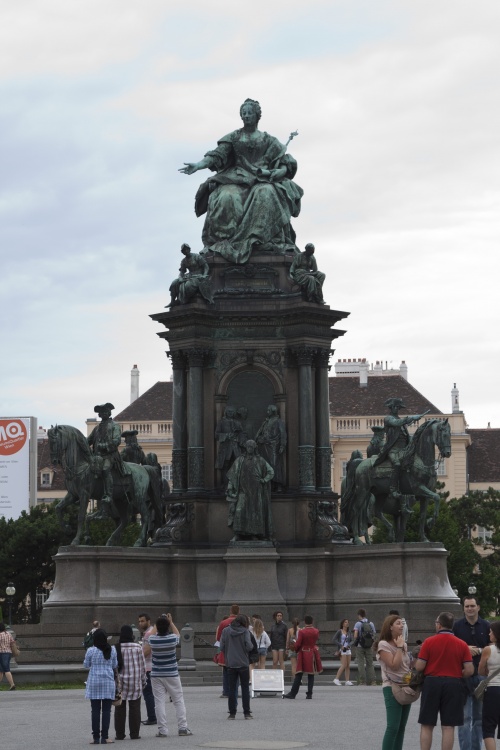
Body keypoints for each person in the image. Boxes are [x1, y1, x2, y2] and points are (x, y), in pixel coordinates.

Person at [179, 98, 303, 264]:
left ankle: (260, 241)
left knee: (266, 193)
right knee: (226, 197)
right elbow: (217, 155)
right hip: (236, 178)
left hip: (262, 180)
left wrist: (280, 171)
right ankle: (225, 243)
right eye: (243, 113)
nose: (246, 116)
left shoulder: (268, 140)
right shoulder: (234, 137)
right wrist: (199, 165)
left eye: (249, 113)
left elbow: (285, 162)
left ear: (257, 115)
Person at [415, 611, 473, 750]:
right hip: (454, 683)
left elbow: (420, 666)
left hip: (432, 683)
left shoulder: (429, 642)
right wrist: (457, 673)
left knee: (427, 724)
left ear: (439, 625)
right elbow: (470, 670)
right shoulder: (462, 644)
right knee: (448, 726)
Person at [374, 398, 428, 516]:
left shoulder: (400, 421)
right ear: (392, 408)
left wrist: (411, 421)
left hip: (403, 450)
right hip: (392, 450)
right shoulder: (389, 419)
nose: (398, 410)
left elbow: (403, 427)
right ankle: (393, 489)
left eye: (399, 408)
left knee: (411, 465)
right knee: (397, 464)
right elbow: (397, 423)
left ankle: (406, 496)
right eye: (397, 407)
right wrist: (411, 418)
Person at [453, 596, 490, 750]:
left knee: (480, 718)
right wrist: (465, 649)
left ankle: (476, 748)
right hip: (463, 677)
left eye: (472, 606)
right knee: (465, 718)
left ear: (478, 607)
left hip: (482, 676)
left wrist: (480, 650)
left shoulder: (487, 626)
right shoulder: (457, 626)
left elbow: (493, 647)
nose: (470, 609)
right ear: (463, 608)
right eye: (467, 606)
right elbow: (452, 647)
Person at [149, 614, 192, 737]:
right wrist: (171, 622)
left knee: (159, 702)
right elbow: (178, 634)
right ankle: (182, 728)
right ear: (167, 626)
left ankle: (162, 730)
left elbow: (149, 635)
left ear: (157, 627)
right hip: (172, 673)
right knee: (178, 700)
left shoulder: (153, 640)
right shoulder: (172, 639)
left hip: (156, 673)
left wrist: (157, 624)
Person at [376, 615, 413, 750]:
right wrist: (398, 648)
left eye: (402, 623)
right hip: (391, 687)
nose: (401, 626)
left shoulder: (404, 644)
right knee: (393, 727)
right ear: (390, 626)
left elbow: (405, 666)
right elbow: (394, 665)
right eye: (398, 623)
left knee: (401, 727)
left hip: (405, 687)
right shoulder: (383, 645)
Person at [226, 439, 274, 542]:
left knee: (255, 513)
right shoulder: (239, 460)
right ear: (246, 448)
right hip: (242, 491)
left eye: (252, 447)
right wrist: (230, 487)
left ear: (255, 448)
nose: (250, 449)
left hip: (256, 493)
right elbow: (232, 476)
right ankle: (237, 534)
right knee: (239, 511)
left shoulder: (260, 460)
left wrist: (264, 480)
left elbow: (271, 472)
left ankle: (254, 534)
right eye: (248, 447)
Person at [87, 402, 126, 518]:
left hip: (110, 455)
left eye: (104, 411)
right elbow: (88, 440)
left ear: (109, 413)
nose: (102, 413)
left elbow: (117, 440)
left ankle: (108, 495)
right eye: (100, 412)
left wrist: (105, 445)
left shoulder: (114, 425)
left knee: (105, 469)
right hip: (97, 457)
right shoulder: (97, 428)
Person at [83, 628, 119, 745]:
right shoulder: (112, 650)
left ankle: (95, 737)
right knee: (107, 711)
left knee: (95, 710)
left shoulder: (91, 650)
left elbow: (86, 665)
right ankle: (105, 737)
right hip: (108, 682)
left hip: (94, 682)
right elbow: (115, 665)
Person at [114, 625, 146, 741]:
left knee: (119, 709)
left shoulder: (116, 648)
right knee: (135, 708)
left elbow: (114, 666)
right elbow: (142, 666)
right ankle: (134, 734)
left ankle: (120, 734)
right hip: (135, 682)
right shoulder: (138, 647)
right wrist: (143, 682)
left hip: (120, 683)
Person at [220, 614, 254, 720]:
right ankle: (246, 713)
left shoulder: (226, 631)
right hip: (243, 663)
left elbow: (221, 646)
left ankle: (232, 713)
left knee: (232, 689)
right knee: (245, 688)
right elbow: (249, 646)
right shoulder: (245, 631)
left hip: (231, 663)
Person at [283, 615, 323, 699]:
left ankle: (293, 693)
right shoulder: (316, 631)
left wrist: (295, 648)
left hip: (303, 652)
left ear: (305, 622)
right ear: (312, 621)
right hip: (312, 652)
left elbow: (298, 643)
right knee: (311, 675)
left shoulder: (302, 631)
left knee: (299, 674)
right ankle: (309, 694)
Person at [478, 620, 500, 750]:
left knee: (489, 728)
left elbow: (481, 670)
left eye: (491, 631)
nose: (489, 634)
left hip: (493, 690)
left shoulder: (488, 649)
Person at [255, 405, 287, 491]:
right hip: (264, 446)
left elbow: (283, 434)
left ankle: (278, 485)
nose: (267, 412)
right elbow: (261, 432)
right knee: (265, 465)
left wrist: (282, 445)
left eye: (268, 410)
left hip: (273, 446)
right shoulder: (266, 422)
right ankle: (268, 484)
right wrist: (259, 439)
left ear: (273, 411)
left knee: (274, 465)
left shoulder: (278, 421)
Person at [215, 604, 240, 699]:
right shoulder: (242, 622)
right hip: (238, 651)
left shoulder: (223, 622)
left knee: (226, 672)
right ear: (239, 611)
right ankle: (235, 691)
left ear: (230, 611)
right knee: (237, 672)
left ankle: (226, 692)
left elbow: (218, 638)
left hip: (226, 651)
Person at [215, 408, 244, 485]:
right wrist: (226, 435)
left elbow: (242, 435)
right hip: (225, 447)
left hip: (235, 447)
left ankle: (237, 485)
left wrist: (239, 438)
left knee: (238, 465)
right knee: (225, 465)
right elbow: (216, 435)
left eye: (232, 411)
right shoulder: (221, 422)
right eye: (229, 411)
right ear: (226, 413)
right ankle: (225, 484)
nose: (230, 413)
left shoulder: (237, 423)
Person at [138, 613, 157, 726]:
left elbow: (146, 651)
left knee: (148, 693)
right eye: (139, 621)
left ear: (149, 621)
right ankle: (155, 716)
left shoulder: (148, 634)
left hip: (148, 667)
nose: (140, 623)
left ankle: (152, 717)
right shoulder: (153, 632)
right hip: (153, 666)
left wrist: (137, 656)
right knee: (153, 694)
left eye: (143, 621)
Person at [353, 608, 376, 685]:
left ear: (359, 615)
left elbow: (355, 636)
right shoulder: (371, 623)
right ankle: (372, 681)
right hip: (369, 646)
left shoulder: (358, 624)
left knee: (361, 663)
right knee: (370, 663)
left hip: (360, 646)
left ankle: (363, 681)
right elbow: (374, 635)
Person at [332, 618, 353, 686]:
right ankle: (336, 679)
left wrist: (349, 645)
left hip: (348, 650)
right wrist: (341, 645)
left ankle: (347, 680)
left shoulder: (349, 632)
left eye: (347, 622)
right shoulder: (339, 631)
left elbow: (352, 640)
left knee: (348, 666)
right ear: (342, 624)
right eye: (345, 622)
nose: (347, 623)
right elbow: (334, 639)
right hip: (342, 650)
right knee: (344, 664)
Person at [0, 622, 16, 690]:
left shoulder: (0, 635)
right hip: (8, 652)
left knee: (6, 669)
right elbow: (13, 642)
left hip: (1, 653)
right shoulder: (8, 633)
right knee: (0, 670)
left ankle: (12, 684)